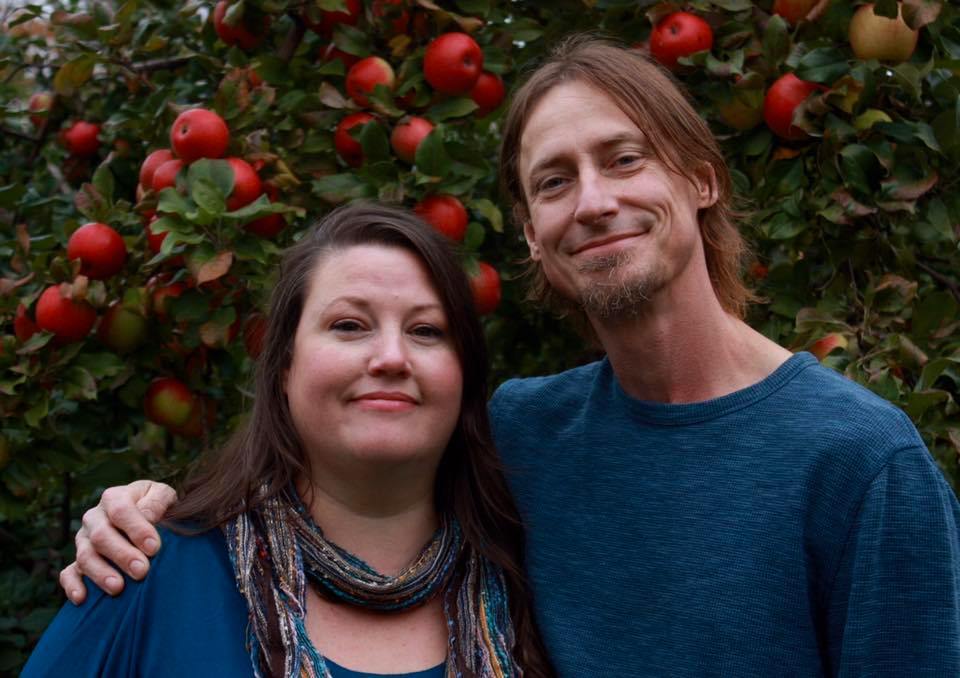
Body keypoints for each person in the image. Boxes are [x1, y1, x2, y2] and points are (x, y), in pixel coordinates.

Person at [61, 37, 960, 676]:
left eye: (624, 159)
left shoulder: (862, 464)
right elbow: (343, 475)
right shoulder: (527, 436)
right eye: (555, 181)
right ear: (532, 234)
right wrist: (142, 512)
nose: (595, 201)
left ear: (701, 178)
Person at [24, 203, 552, 677]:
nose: (392, 357)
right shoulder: (145, 570)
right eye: (349, 325)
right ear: (284, 368)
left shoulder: (539, 581)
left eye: (427, 331)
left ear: (464, 377)